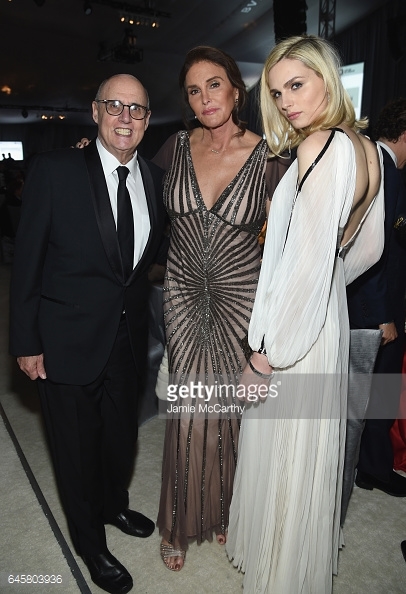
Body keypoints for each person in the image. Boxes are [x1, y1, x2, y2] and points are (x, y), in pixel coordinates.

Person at [226, 35, 385, 593]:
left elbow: (301, 267)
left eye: (296, 85)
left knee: (285, 454)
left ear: (327, 79)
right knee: (303, 456)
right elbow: (369, 249)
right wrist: (329, 284)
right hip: (326, 317)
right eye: (276, 93)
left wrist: (265, 357)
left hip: (297, 332)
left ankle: (279, 575)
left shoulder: (318, 144)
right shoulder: (366, 148)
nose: (286, 102)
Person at [9, 74, 167, 594]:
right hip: (65, 339)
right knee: (76, 451)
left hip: (128, 340)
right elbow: (27, 262)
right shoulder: (55, 170)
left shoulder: (154, 179)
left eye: (136, 109)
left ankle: (113, 506)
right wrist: (26, 341)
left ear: (147, 120)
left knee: (121, 440)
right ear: (95, 112)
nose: (125, 117)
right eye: (114, 106)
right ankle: (89, 543)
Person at [151, 46, 288, 570]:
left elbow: (288, 245)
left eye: (214, 84)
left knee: (228, 415)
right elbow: (130, 189)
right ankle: (177, 521)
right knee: (190, 412)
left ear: (235, 89)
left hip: (239, 300)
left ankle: (226, 506)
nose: (205, 98)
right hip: (184, 296)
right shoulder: (173, 148)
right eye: (193, 90)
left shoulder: (270, 158)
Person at [346, 97, 406, 497]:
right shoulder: (381, 169)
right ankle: (372, 468)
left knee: (376, 393)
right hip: (375, 311)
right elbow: (372, 250)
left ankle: (371, 465)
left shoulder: (384, 166)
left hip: (381, 306)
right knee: (374, 394)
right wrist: (384, 316)